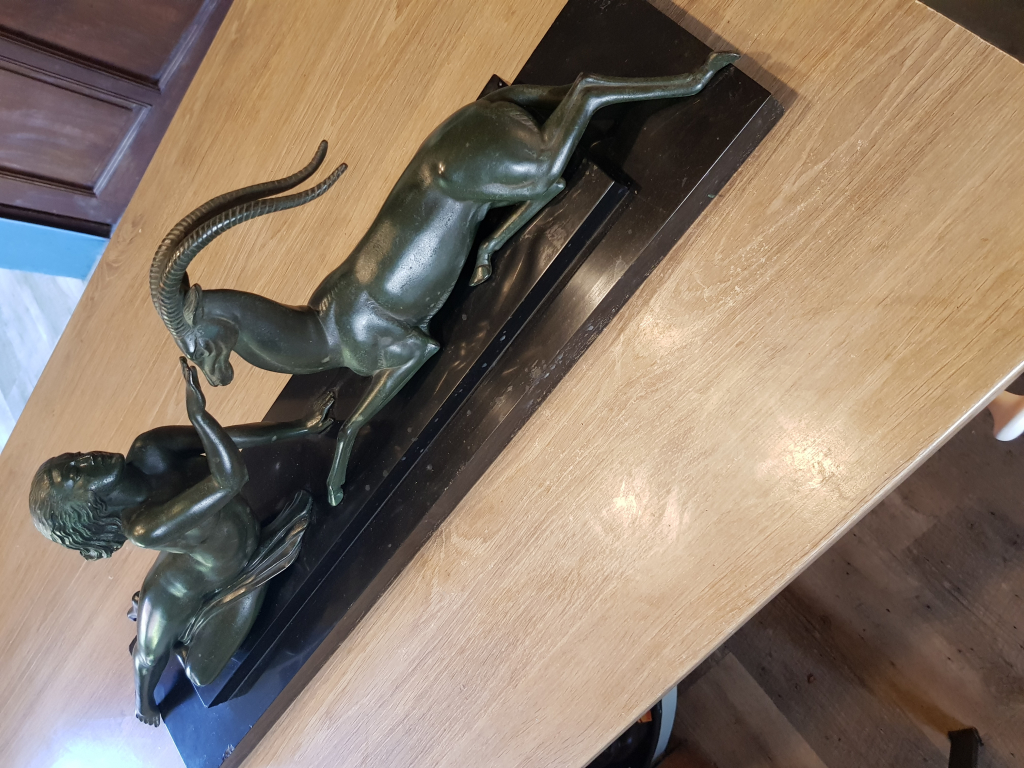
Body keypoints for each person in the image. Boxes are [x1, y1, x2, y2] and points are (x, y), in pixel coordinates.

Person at [30, 358, 333, 726]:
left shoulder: (149, 448)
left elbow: (228, 439)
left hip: (212, 555)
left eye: (75, 458)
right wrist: (200, 417)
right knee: (161, 658)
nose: (86, 460)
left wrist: (301, 426)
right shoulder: (143, 527)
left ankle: (175, 632)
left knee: (159, 637)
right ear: (84, 511)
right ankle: (144, 704)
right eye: (75, 476)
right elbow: (229, 479)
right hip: (197, 583)